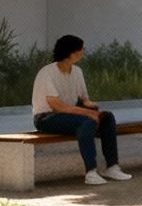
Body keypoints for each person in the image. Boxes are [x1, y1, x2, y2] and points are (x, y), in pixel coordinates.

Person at [33, 35, 130, 185]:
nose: (84, 51)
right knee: (86, 122)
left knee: (107, 118)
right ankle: (91, 172)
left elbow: (84, 99)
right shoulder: (47, 72)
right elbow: (58, 106)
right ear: (71, 52)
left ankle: (112, 167)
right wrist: (89, 113)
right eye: (82, 48)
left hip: (69, 115)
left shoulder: (77, 71)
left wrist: (93, 108)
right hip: (46, 117)